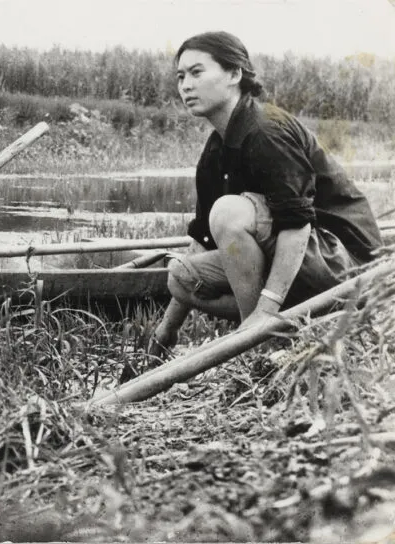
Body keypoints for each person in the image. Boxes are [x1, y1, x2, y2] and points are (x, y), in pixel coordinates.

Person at [119, 31, 383, 384]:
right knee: (180, 276)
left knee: (229, 212)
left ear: (234, 75)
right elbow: (203, 242)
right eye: (180, 77)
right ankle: (279, 327)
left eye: (197, 73)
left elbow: (297, 225)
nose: (186, 86)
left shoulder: (266, 131)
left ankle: (257, 337)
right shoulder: (215, 152)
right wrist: (165, 334)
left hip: (345, 264)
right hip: (301, 264)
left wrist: (264, 309)